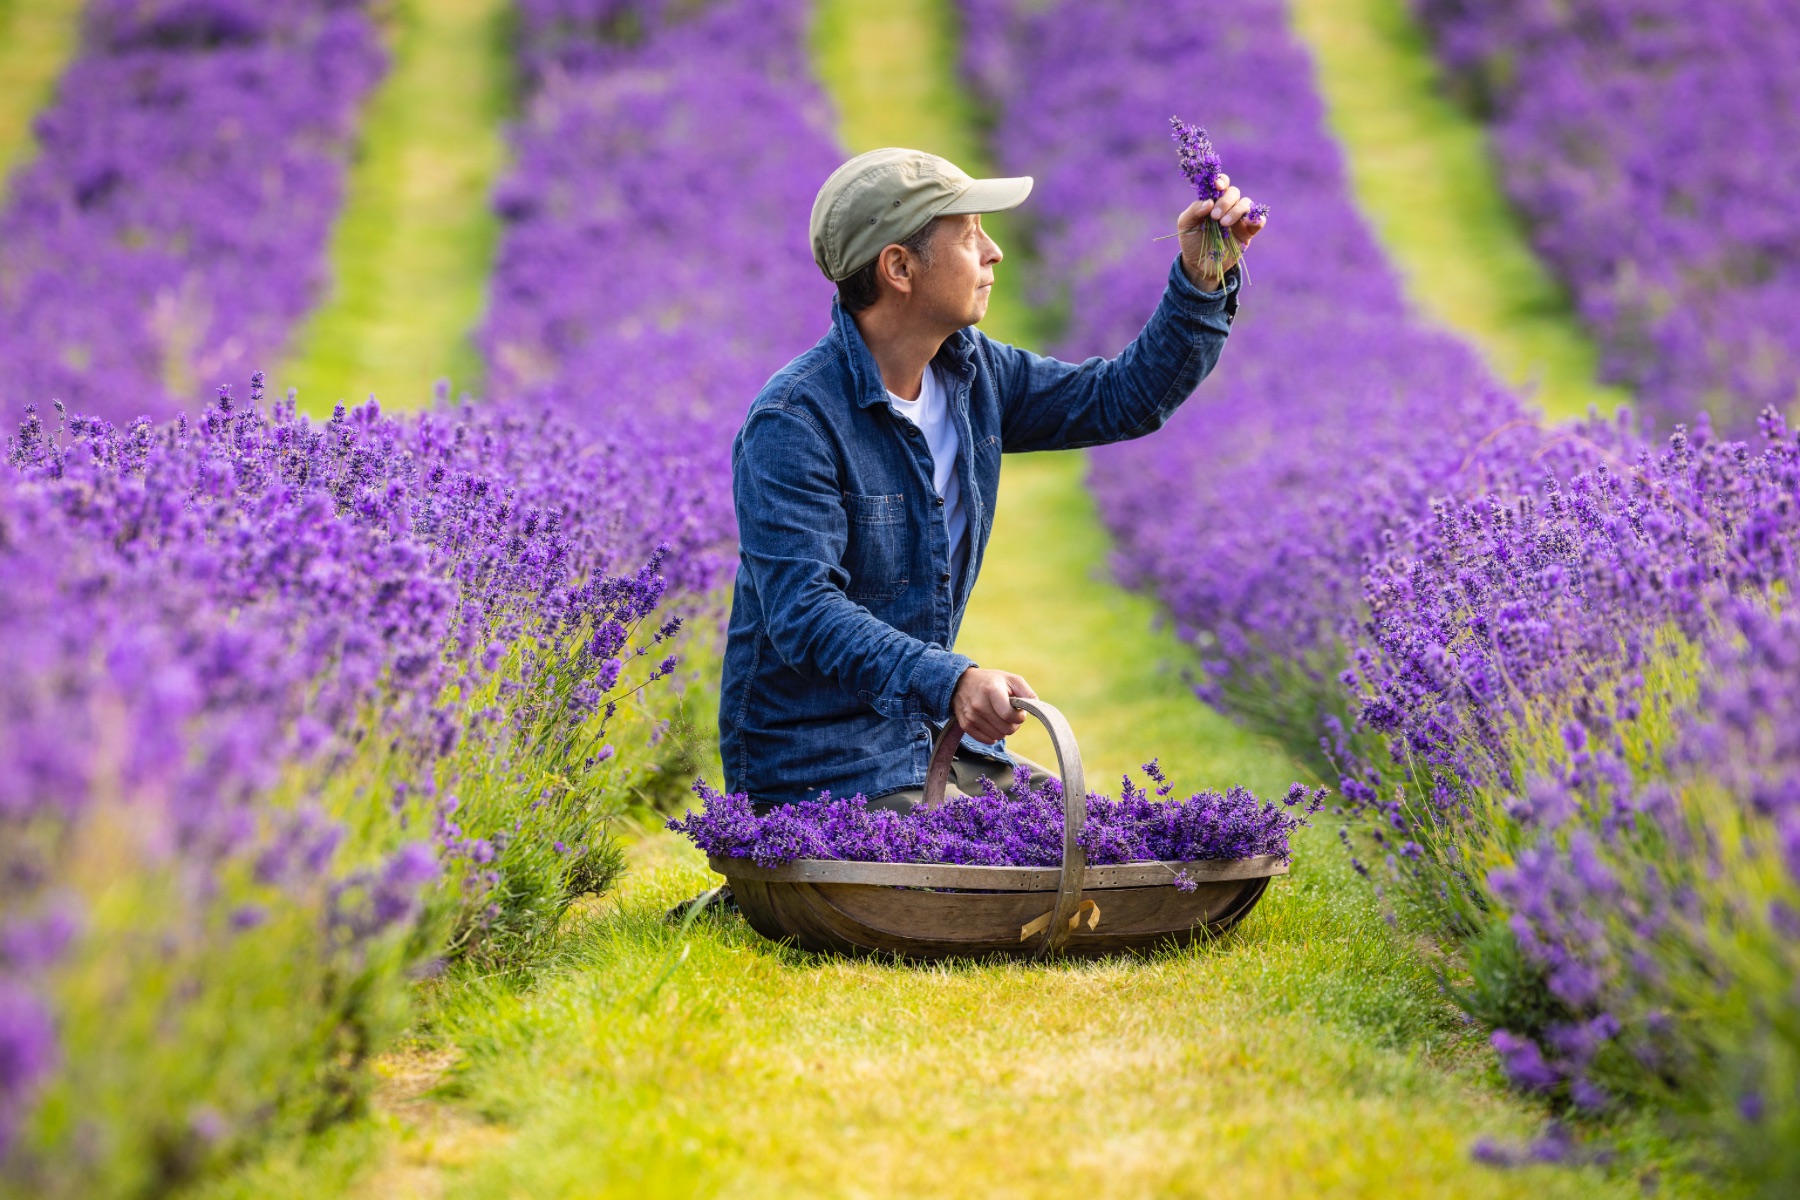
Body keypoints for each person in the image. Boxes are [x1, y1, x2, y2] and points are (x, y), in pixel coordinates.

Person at [721, 147, 1263, 812]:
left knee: (1093, 839)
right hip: (818, 769)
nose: (994, 252)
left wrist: (1201, 279)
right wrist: (952, 683)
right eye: (970, 234)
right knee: (1002, 881)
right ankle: (778, 883)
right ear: (898, 267)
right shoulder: (794, 423)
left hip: (925, 743)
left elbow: (1124, 398)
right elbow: (804, 615)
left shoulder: (970, 374)